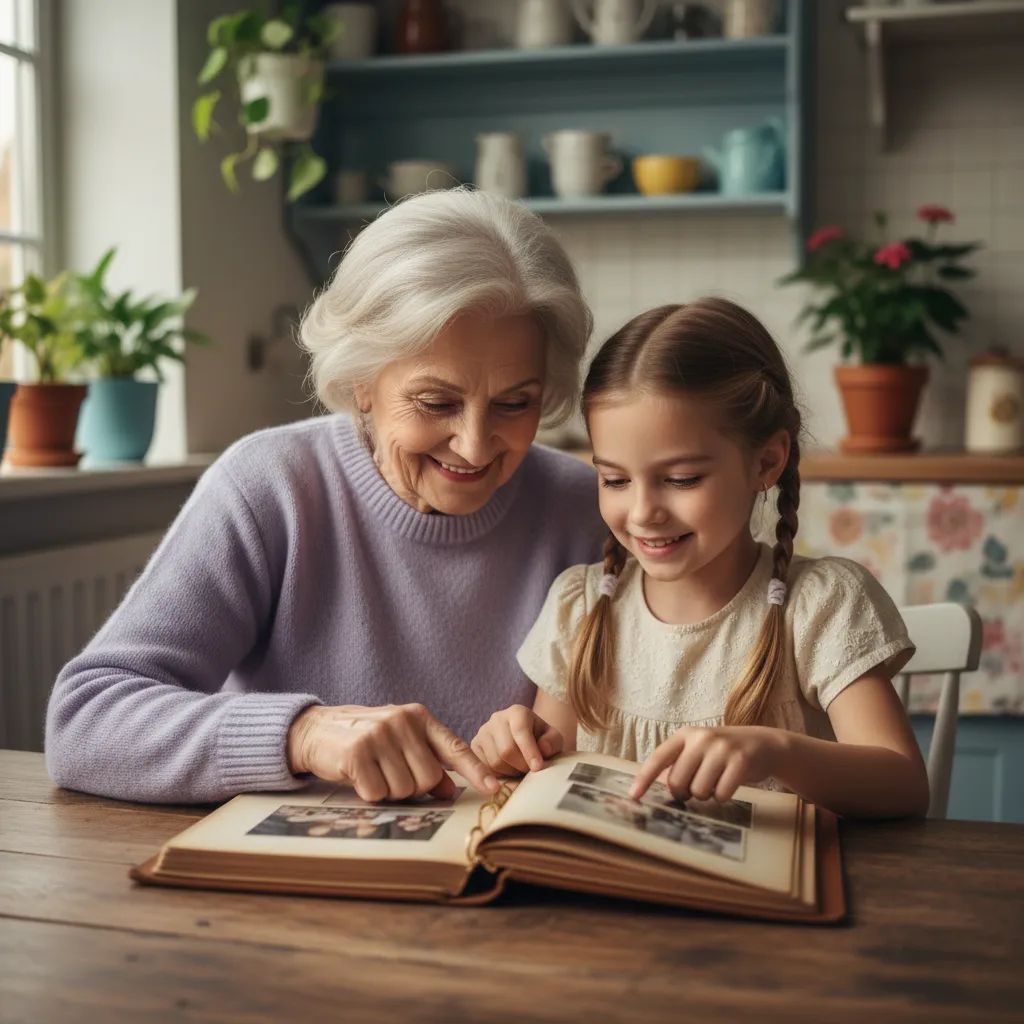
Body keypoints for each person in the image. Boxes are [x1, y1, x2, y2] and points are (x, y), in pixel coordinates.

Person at [45, 188, 606, 805]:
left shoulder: (588, 509)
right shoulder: (270, 487)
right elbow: (85, 720)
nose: (474, 446)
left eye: (514, 403)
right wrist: (302, 733)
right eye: (436, 402)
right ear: (362, 382)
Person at [472, 298, 930, 819]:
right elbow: (547, 777)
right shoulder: (578, 607)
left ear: (767, 462)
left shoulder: (822, 604)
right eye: (615, 480)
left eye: (682, 479)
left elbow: (905, 786)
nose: (643, 512)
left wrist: (776, 751)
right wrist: (515, 748)